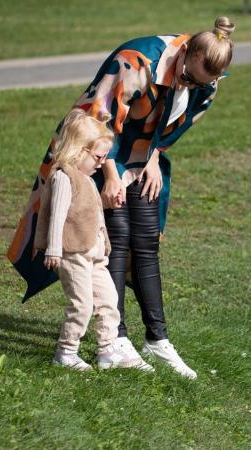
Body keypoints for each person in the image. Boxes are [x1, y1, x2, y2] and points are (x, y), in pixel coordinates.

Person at [9, 16, 235, 379]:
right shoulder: (136, 61)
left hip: (142, 155)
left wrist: (154, 157)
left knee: (145, 241)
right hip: (98, 153)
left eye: (200, 83)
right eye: (187, 77)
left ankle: (157, 339)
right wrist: (111, 176)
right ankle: (114, 340)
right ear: (185, 52)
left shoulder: (206, 83)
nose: (188, 86)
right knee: (112, 241)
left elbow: (173, 126)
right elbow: (96, 122)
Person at [33, 110, 153, 372]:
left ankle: (107, 350)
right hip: (73, 252)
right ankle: (66, 352)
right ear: (79, 150)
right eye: (99, 157)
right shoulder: (64, 177)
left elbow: (90, 213)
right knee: (82, 304)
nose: (101, 163)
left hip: (95, 255)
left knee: (109, 300)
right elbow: (57, 216)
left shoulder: (86, 179)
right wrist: (53, 249)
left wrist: (106, 221)